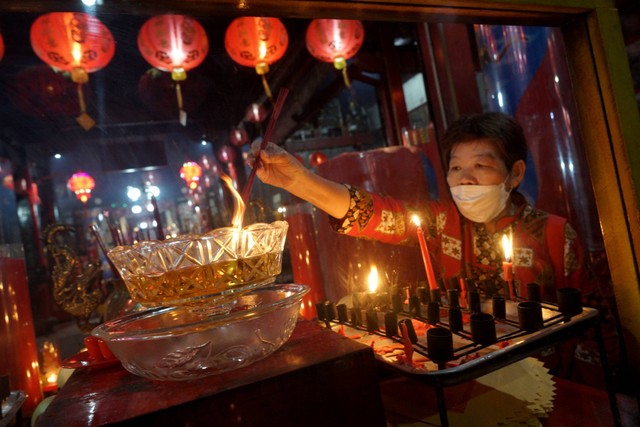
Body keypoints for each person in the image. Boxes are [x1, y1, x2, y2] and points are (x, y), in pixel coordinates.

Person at [250, 112, 590, 301]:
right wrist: (298, 181)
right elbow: (374, 214)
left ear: (514, 174)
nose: (465, 180)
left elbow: (592, 324)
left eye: (481, 166)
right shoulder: (441, 221)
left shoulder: (556, 234)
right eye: (456, 168)